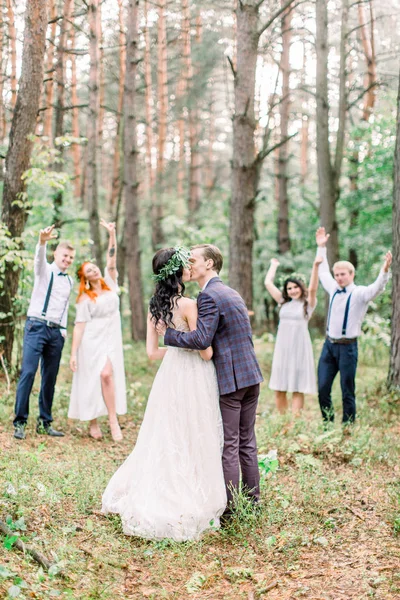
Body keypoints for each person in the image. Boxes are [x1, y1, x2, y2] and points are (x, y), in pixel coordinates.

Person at [102, 247, 226, 541]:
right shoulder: (189, 304)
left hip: (170, 373)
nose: (189, 268)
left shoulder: (154, 306)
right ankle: (196, 492)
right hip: (194, 373)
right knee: (195, 429)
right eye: (185, 265)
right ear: (177, 273)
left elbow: (151, 352)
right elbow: (206, 352)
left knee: (168, 431)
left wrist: (174, 346)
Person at [157, 244, 264, 520]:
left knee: (229, 444)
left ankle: (229, 509)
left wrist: (168, 336)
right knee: (246, 442)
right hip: (251, 376)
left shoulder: (208, 297)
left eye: (194, 260)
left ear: (210, 264)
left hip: (232, 380)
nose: (189, 264)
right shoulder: (230, 292)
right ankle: (252, 503)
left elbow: (201, 340)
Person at [315, 227, 392, 424]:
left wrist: (384, 271)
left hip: (348, 347)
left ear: (351, 274)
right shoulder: (333, 288)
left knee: (347, 389)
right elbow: (322, 271)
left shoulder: (359, 293)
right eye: (337, 274)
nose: (339, 277)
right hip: (329, 346)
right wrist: (321, 247)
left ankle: (348, 427)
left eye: (343, 274)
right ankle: (328, 424)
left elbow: (377, 289)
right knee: (323, 387)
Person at [13, 226, 75, 440]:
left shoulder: (69, 280)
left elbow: (65, 306)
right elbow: (39, 260)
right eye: (65, 255)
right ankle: (20, 421)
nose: (68, 260)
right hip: (36, 327)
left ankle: (44, 422)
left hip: (56, 333)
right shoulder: (45, 270)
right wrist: (42, 242)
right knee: (29, 373)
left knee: (50, 377)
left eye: (71, 257)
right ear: (56, 254)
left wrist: (64, 330)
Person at [68, 220, 126, 441]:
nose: (93, 269)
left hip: (111, 335)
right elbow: (79, 326)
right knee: (91, 378)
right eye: (88, 270)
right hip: (91, 340)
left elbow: (112, 258)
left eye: (93, 267)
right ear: (84, 277)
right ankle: (93, 421)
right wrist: (73, 354)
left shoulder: (110, 282)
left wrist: (112, 234)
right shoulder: (84, 298)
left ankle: (113, 420)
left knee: (106, 375)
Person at [264, 256, 322, 414]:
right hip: (283, 349)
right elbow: (268, 283)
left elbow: (313, 289)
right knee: (279, 387)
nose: (292, 291)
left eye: (295, 287)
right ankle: (283, 422)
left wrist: (316, 266)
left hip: (299, 349)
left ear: (301, 288)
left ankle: (295, 422)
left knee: (297, 387)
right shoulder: (283, 302)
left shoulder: (307, 304)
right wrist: (273, 265)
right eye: (289, 288)